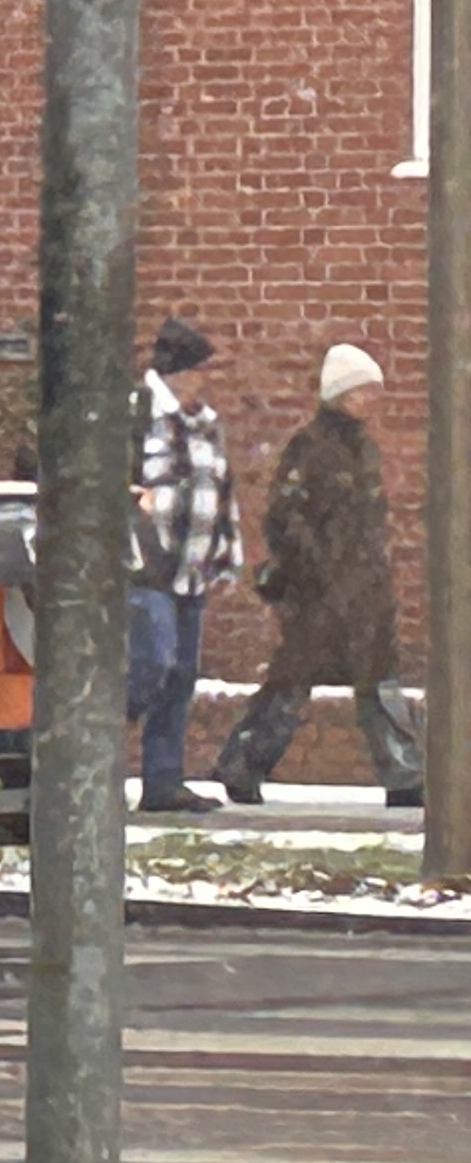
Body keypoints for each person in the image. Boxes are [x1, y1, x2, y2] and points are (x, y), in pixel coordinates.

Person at [216, 343, 424, 808]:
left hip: (364, 592)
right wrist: (314, 572)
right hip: (317, 594)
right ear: (341, 393)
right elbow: (285, 519)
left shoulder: (363, 449)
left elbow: (369, 526)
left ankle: (404, 776)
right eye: (362, 390)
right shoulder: (308, 448)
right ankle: (243, 763)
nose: (370, 400)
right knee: (291, 683)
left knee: (380, 684)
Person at [127, 314, 242, 815]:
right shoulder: (138, 415)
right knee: (152, 661)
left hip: (190, 572)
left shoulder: (207, 425)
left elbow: (221, 492)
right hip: (144, 566)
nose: (204, 382)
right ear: (178, 372)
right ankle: (91, 741)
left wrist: (227, 555)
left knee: (180, 677)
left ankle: (163, 779)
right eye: (199, 372)